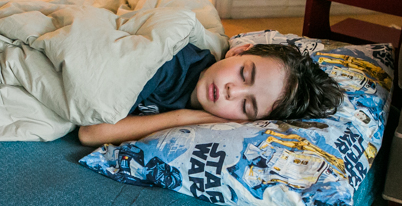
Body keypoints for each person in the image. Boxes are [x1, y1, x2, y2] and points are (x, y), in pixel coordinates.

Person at [78, 42, 344, 146]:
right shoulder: (169, 64)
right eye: (243, 74)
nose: (232, 90)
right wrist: (183, 118)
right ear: (239, 50)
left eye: (246, 106)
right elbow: (90, 131)